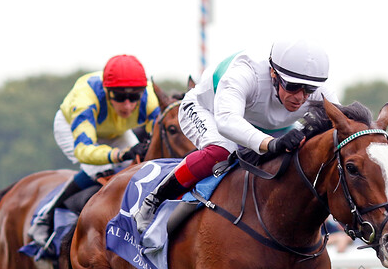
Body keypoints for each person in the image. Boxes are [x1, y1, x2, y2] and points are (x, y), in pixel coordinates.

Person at [133, 39, 339, 233]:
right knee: (222, 151)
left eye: (309, 89)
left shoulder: (319, 91)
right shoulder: (245, 73)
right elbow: (227, 121)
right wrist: (271, 143)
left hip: (262, 123)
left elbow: (344, 126)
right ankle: (154, 200)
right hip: (209, 110)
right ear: (273, 74)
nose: (301, 97)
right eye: (293, 87)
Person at [28, 54, 159, 247]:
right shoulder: (86, 99)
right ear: (107, 91)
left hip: (116, 130)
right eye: (121, 97)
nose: (128, 105)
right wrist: (119, 154)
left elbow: (156, 141)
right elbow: (84, 150)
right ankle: (44, 217)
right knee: (98, 170)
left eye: (134, 97)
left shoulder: (150, 100)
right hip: (74, 128)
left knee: (139, 167)